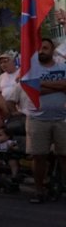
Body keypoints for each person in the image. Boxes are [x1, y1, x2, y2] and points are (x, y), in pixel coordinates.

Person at [18, 38, 66, 204]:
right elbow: (32, 89)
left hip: (62, 119)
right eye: (39, 48)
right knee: (39, 157)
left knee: (64, 155)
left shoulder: (62, 67)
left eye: (45, 48)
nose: (41, 51)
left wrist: (41, 84)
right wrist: (58, 85)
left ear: (52, 50)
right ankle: (39, 190)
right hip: (38, 120)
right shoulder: (30, 70)